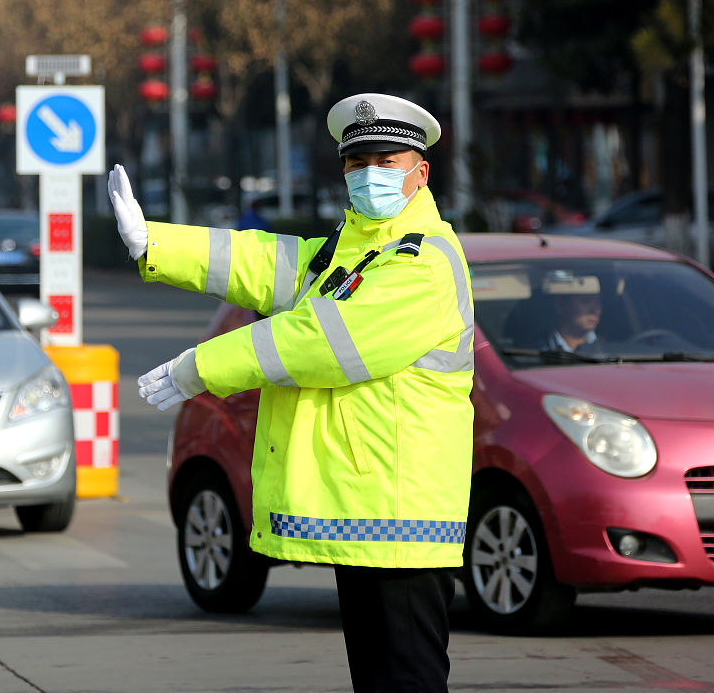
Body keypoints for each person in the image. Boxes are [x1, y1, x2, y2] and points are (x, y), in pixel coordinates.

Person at [109, 93, 473, 693]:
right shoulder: (351, 251)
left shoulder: (420, 264)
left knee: (405, 683)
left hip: (403, 521)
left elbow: (321, 340)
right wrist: (155, 242)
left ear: (420, 171)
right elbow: (259, 260)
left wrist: (200, 367)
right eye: (356, 164)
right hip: (373, 513)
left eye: (385, 160)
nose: (368, 175)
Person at [541, 272, 602, 352]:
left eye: (599, 303)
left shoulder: (612, 351)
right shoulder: (532, 352)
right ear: (560, 305)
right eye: (586, 301)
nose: (595, 310)